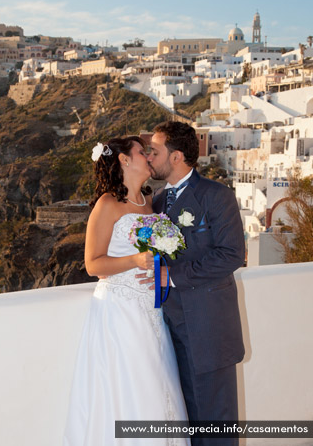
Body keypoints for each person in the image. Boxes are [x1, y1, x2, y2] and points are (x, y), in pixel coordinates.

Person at [64, 136, 190, 446]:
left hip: (151, 309)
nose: (148, 156)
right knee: (133, 386)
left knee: (158, 383)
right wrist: (134, 260)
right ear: (124, 160)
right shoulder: (107, 204)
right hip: (119, 311)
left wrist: (161, 266)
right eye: (140, 152)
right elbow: (93, 264)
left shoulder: (149, 201)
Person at [147, 121, 244, 446]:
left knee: (215, 421)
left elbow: (231, 254)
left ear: (176, 157)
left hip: (208, 329)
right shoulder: (158, 203)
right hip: (170, 330)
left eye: (155, 151)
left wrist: (173, 277)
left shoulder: (217, 196)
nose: (149, 158)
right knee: (186, 420)